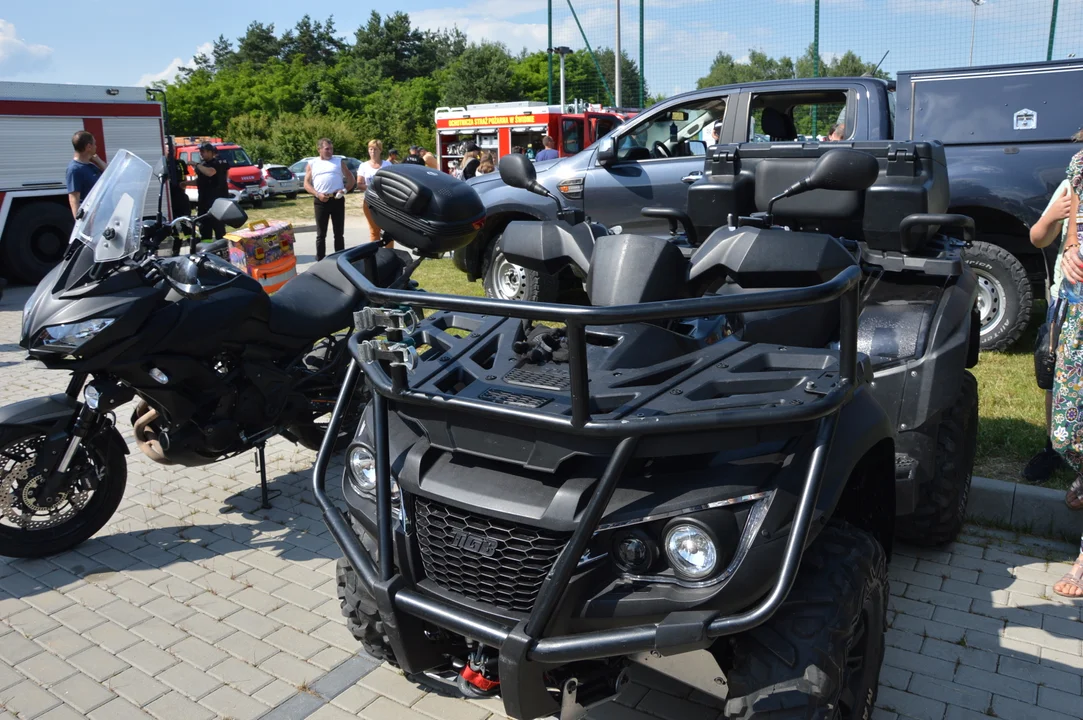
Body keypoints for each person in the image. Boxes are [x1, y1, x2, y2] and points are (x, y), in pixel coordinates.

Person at [1042, 132, 1083, 598]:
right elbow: (1056, 230)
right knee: (1064, 433)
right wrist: (1070, 249)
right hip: (1075, 315)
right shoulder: (1079, 164)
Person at [1024, 179, 1075, 484]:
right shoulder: (1073, 185)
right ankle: (1053, 447)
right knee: (1053, 374)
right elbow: (1038, 238)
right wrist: (1054, 214)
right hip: (1067, 302)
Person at [304, 138, 355, 260]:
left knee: (339, 233)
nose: (330, 151)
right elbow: (306, 184)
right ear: (319, 150)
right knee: (321, 234)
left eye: (331, 149)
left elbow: (351, 178)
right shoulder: (312, 163)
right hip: (321, 200)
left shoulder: (338, 162)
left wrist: (344, 190)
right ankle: (320, 259)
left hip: (337, 199)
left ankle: (340, 259)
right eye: (327, 149)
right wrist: (317, 194)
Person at [191, 142, 229, 241]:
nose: (201, 154)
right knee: (204, 229)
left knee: (219, 229)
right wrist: (184, 184)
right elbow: (200, 181)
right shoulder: (202, 165)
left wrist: (196, 164)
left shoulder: (217, 163)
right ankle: (206, 251)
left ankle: (223, 250)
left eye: (203, 151)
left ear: (210, 152)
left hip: (216, 203)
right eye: (200, 152)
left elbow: (210, 172)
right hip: (203, 202)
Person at [358, 139, 392, 246]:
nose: (373, 152)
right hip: (370, 202)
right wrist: (372, 188)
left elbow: (393, 182)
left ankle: (390, 255)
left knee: (389, 231)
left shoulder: (387, 164)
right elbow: (359, 183)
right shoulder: (363, 166)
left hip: (386, 202)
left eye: (375, 149)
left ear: (380, 150)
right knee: (374, 230)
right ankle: (376, 256)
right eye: (370, 149)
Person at [66, 131, 108, 218]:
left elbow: (111, 173)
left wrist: (98, 160)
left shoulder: (91, 165)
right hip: (91, 219)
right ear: (89, 146)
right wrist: (79, 224)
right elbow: (74, 200)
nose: (96, 147)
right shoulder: (74, 169)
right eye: (94, 144)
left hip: (102, 216)